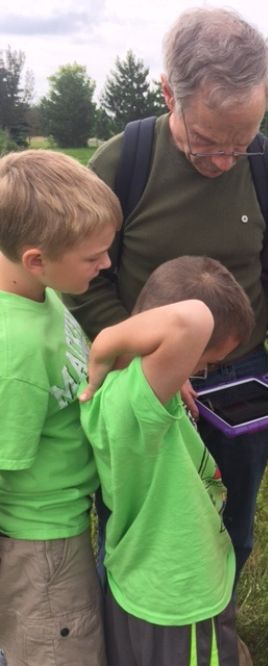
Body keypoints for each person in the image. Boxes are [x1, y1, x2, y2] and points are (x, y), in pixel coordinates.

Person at [65, 6, 268, 579]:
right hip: (144, 378)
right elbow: (87, 283)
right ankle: (128, 629)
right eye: (206, 142)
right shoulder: (122, 163)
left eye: (241, 143)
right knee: (133, 519)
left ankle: (215, 626)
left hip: (242, 372)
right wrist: (149, 363)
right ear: (168, 94)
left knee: (231, 518)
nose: (224, 160)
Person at [78, 256, 256, 666]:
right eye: (202, 360)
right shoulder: (135, 402)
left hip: (150, 581)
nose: (200, 369)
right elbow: (192, 320)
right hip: (178, 597)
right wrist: (108, 340)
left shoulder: (138, 390)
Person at [0, 150, 122, 664]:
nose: (106, 264)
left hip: (63, 522)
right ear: (36, 258)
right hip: (42, 543)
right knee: (60, 649)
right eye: (93, 257)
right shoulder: (18, 349)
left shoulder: (38, 292)